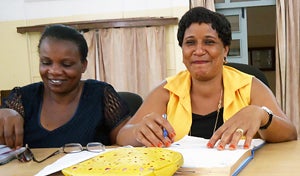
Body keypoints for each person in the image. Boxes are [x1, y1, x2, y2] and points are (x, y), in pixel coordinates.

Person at [116, 7, 297, 150]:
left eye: (209, 42)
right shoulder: (166, 90)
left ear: (225, 49)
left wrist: (262, 115)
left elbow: (290, 133)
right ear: (183, 50)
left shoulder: (250, 86)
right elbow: (123, 135)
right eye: (190, 43)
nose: (199, 51)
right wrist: (140, 131)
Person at [0, 24, 130, 149]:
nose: (54, 71)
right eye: (46, 62)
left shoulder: (101, 95)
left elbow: (125, 142)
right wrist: (6, 112)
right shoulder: (22, 98)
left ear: (83, 65)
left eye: (66, 64)